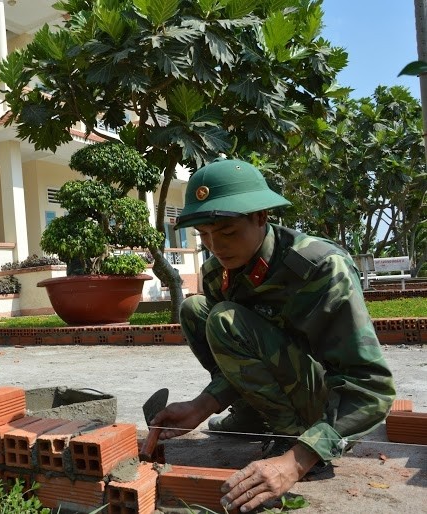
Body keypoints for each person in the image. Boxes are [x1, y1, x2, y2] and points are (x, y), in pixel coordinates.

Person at [151, 159, 395, 513]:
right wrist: (201, 407)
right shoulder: (218, 272)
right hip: (287, 382)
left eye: (227, 232)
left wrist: (295, 461)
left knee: (223, 318)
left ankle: (295, 438)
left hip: (330, 404)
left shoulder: (321, 268)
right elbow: (238, 354)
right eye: (204, 235)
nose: (216, 246)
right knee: (196, 311)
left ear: (261, 217)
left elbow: (371, 387)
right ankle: (252, 414)